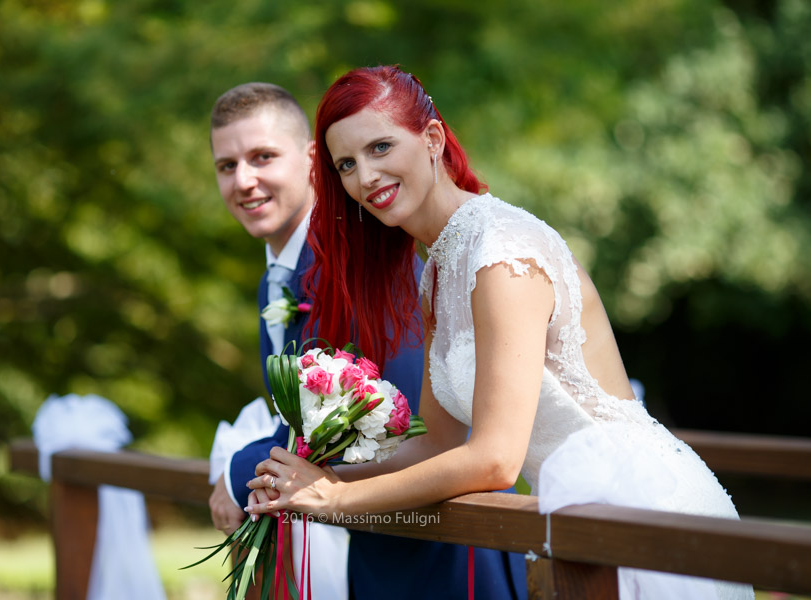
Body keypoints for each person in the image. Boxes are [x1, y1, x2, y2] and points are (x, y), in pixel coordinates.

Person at [245, 66, 755, 600]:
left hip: (639, 509)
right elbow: (434, 447)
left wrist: (336, 501)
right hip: (576, 521)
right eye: (346, 164)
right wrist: (310, 477)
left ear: (433, 138)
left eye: (380, 147)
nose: (365, 176)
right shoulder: (438, 273)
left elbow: (494, 459)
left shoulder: (500, 249)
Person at [207, 82, 526, 599]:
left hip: (445, 550)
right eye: (227, 165)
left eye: (262, 157)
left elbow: (400, 423)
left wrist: (237, 468)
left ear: (312, 162)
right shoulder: (275, 279)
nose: (245, 180)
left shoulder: (363, 260)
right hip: (375, 543)